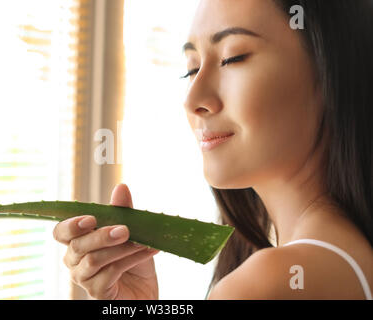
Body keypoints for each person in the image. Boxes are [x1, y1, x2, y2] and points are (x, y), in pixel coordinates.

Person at [52, 0, 373, 300]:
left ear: (327, 71)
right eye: (191, 69)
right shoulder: (352, 257)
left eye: (233, 57)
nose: (193, 100)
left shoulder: (268, 281)